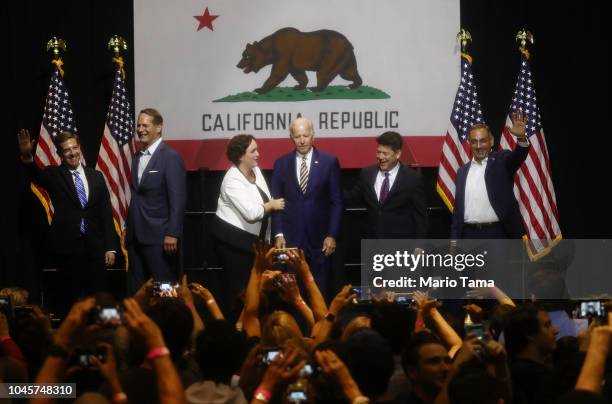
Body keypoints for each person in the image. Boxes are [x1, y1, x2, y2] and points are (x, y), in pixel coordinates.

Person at [17, 129, 116, 314]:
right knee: (68, 302)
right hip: (67, 250)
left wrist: (110, 246)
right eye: (67, 150)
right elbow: (35, 175)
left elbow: (105, 213)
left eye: (75, 147)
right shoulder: (53, 174)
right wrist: (27, 157)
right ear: (60, 155)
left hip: (95, 249)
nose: (72, 153)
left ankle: (97, 338)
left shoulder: (96, 176)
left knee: (98, 301)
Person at [271, 117, 343, 298]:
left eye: (306, 135)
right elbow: (277, 201)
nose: (302, 140)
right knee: (292, 295)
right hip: (291, 240)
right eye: (297, 136)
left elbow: (337, 202)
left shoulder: (329, 162)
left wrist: (332, 235)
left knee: (319, 292)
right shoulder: (281, 164)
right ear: (291, 137)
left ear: (313, 136)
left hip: (320, 241)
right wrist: (278, 233)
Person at [212, 134, 284, 312]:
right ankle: (238, 329)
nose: (258, 154)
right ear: (241, 156)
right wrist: (272, 205)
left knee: (259, 289)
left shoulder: (256, 170)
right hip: (234, 243)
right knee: (241, 291)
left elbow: (265, 198)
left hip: (254, 243)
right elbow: (252, 213)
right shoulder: (232, 180)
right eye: (253, 151)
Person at [125, 108, 186, 294]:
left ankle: (168, 323)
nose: (140, 129)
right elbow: (136, 197)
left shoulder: (170, 157)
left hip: (160, 237)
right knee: (139, 291)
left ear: (159, 127)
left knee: (164, 288)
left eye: (146, 125)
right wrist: (128, 226)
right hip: (136, 236)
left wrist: (173, 233)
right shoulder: (137, 157)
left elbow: (178, 199)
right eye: (138, 125)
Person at [451, 111, 530, 239]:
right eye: (474, 141)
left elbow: (518, 156)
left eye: (483, 141)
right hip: (467, 236)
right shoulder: (462, 172)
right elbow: (457, 212)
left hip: (497, 234)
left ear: (491, 141)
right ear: (469, 143)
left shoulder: (502, 161)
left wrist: (521, 138)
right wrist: (453, 243)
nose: (478, 146)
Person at [345, 131, 427, 239]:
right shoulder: (367, 174)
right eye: (379, 152)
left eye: (385, 153)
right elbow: (351, 197)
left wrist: (420, 246)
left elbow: (421, 217)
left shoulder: (412, 179)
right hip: (372, 244)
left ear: (397, 154)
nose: (380, 157)